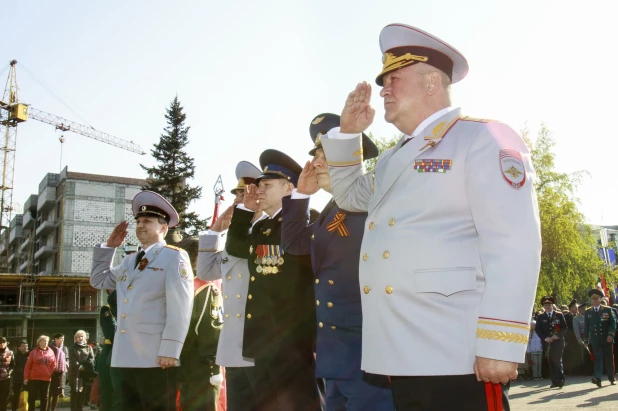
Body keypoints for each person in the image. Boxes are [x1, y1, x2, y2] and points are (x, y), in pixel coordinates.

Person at [318, 23, 542, 410]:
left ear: (432, 83)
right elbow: (351, 196)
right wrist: (348, 135)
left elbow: (513, 242)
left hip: (457, 353)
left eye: (394, 79)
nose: (384, 89)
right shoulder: (391, 159)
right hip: (402, 353)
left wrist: (499, 342)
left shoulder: (482, 139)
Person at [281, 113, 394, 411]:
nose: (315, 163)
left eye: (325, 154)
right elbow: (294, 245)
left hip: (368, 357)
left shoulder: (373, 201)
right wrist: (300, 196)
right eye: (315, 155)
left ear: (351, 159)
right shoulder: (332, 210)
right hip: (337, 356)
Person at [225, 149, 319, 410]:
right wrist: (244, 208)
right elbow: (235, 248)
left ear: (289, 188)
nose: (259, 190)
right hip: (262, 342)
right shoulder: (263, 227)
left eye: (266, 185)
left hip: (292, 344)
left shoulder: (305, 223)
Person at [90, 190, 194, 410]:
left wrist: (171, 350)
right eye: (138, 221)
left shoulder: (174, 256)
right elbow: (98, 280)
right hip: (125, 356)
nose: (140, 225)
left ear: (164, 228)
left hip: (155, 356)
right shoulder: (130, 261)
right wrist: (110, 247)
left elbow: (181, 307)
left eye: (147, 221)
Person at [198, 160, 266, 411]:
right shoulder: (231, 241)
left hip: (262, 347)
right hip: (234, 347)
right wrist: (216, 230)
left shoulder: (268, 234)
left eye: (244, 194)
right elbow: (205, 270)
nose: (238, 200)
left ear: (259, 196)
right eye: (237, 195)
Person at [175, 236, 224, 411]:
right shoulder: (205, 287)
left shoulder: (178, 285)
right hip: (202, 362)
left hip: (180, 358)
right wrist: (214, 366)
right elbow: (209, 328)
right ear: (198, 258)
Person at [583, 289, 617, 387]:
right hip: (595, 339)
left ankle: (611, 377)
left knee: (609, 359)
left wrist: (610, 335)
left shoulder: (607, 309)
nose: (595, 301)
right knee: (598, 359)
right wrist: (586, 340)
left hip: (606, 339)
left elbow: (613, 323)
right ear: (591, 300)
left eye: (597, 299)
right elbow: (586, 327)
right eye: (593, 299)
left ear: (600, 299)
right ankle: (597, 378)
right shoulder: (588, 312)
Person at [536, 296, 567, 388]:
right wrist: (545, 338)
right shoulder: (541, 317)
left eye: (549, 304)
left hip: (558, 341)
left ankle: (561, 379)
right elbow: (538, 329)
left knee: (557, 360)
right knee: (550, 361)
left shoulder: (559, 315)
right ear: (543, 306)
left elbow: (564, 328)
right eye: (545, 305)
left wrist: (557, 335)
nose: (547, 306)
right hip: (547, 342)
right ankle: (554, 381)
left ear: (552, 305)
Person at [97, 290, 121, 411]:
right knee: (109, 395)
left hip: (119, 352)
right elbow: (111, 332)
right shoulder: (107, 309)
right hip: (110, 353)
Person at [24, 335, 56, 411]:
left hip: (46, 379)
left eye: (47, 341)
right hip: (34, 378)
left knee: (45, 398)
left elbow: (54, 363)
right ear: (39, 342)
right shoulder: (33, 352)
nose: (45, 343)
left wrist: (49, 372)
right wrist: (26, 378)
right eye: (43, 341)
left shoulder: (51, 352)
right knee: (32, 397)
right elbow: (28, 366)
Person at [68, 330, 95, 411]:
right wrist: (79, 366)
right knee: (74, 393)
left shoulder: (88, 347)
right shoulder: (72, 348)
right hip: (75, 373)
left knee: (82, 393)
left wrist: (85, 367)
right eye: (78, 336)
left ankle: (80, 409)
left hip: (85, 374)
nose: (80, 338)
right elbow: (72, 359)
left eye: (82, 336)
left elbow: (92, 358)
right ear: (75, 338)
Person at [47, 333, 68, 411]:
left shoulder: (64, 348)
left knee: (56, 393)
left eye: (63, 339)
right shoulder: (49, 348)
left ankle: (53, 409)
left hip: (60, 373)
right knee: (48, 393)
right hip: (51, 372)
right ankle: (47, 408)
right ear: (55, 339)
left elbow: (67, 358)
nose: (62, 340)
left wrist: (66, 364)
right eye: (61, 338)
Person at [563, 300, 581, 374]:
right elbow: (565, 329)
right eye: (575, 307)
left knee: (577, 354)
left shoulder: (579, 316)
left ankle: (577, 370)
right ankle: (569, 371)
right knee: (570, 354)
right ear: (571, 308)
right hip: (570, 339)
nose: (577, 309)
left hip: (578, 338)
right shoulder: (566, 317)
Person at [10, 340, 28, 411]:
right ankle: (14, 409)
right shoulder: (15, 356)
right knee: (16, 396)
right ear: (19, 348)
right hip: (17, 379)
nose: (25, 348)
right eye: (23, 346)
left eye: (26, 346)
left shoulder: (30, 355)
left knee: (26, 397)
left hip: (27, 379)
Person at [573, 302, 588, 375]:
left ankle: (590, 368)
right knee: (583, 354)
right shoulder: (576, 319)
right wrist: (579, 340)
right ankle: (584, 370)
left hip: (590, 337)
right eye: (583, 309)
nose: (585, 310)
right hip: (582, 337)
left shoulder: (588, 316)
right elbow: (576, 330)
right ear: (579, 310)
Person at [0, 337, 14, 411]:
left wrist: (9, 373)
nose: (2, 344)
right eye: (0, 342)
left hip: (6, 379)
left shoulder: (10, 352)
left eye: (3, 342)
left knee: (4, 398)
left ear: (6, 343)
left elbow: (13, 365)